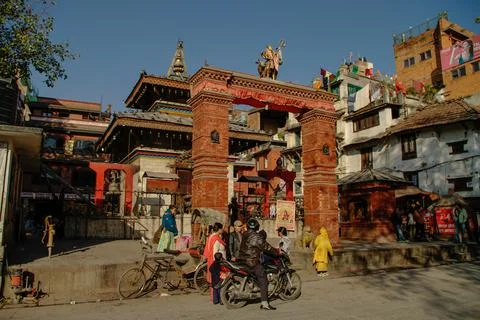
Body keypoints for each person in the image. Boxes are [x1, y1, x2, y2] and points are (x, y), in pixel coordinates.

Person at [239, 218, 278, 310]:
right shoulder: (256, 236)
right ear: (257, 227)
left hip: (243, 259)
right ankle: (264, 303)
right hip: (252, 261)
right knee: (263, 279)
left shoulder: (245, 234)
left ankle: (255, 287)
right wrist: (276, 251)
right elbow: (265, 246)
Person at [203, 222, 226, 303]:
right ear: (219, 229)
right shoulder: (216, 239)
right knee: (218, 281)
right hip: (217, 262)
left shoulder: (211, 236)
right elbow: (215, 252)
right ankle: (218, 299)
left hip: (212, 262)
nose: (223, 230)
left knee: (214, 281)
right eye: (222, 228)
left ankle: (215, 298)